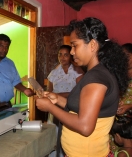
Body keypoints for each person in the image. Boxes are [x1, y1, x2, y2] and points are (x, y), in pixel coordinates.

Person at [35, 17, 129, 157]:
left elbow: (85, 126)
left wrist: (50, 107)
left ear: (92, 45)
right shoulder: (97, 74)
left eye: (74, 45)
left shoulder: (96, 78)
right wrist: (58, 99)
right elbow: (86, 109)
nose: (72, 52)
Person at [47, 45, 84, 157]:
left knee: (67, 136)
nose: (62, 57)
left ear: (71, 56)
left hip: (70, 107)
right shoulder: (54, 73)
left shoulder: (78, 72)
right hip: (54, 108)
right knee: (53, 136)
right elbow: (49, 91)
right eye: (60, 54)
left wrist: (58, 95)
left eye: (66, 55)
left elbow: (79, 93)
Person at [0, 34, 34, 108]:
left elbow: (15, 81)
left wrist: (25, 90)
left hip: (7, 105)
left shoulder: (10, 63)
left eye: (6, 47)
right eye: (1, 46)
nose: (4, 50)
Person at [110, 43, 132, 153]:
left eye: (127, 56)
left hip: (129, 129)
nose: (124, 59)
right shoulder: (117, 75)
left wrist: (129, 106)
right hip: (116, 125)